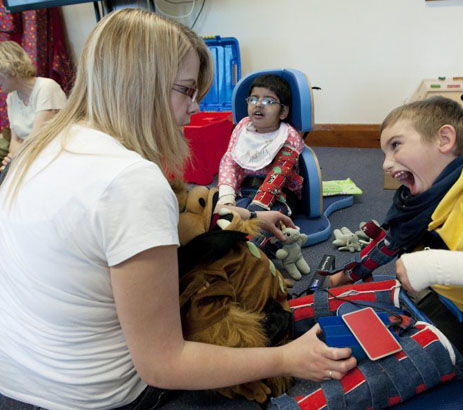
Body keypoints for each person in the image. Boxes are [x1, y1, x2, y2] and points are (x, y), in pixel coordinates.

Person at [0, 9, 355, 410]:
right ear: (140, 85)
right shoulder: (129, 181)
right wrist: (287, 358)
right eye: (187, 90)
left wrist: (249, 218)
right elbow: (163, 365)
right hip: (95, 398)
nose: (197, 106)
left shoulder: (40, 148)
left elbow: (155, 214)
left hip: (15, 380)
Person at [329, 95, 463, 377]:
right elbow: (391, 242)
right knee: (318, 307)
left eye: (395, 146)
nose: (385, 164)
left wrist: (432, 267)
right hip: (422, 296)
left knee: (357, 379)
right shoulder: (429, 194)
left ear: (444, 139)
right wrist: (346, 277)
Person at [217, 74, 305, 216]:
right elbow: (230, 161)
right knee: (223, 210)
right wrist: (226, 195)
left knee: (269, 216)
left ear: (283, 112)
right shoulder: (242, 127)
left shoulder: (287, 135)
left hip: (280, 192)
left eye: (269, 101)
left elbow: (281, 171)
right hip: (246, 186)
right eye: (253, 99)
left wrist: (260, 205)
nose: (258, 104)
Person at [0, 40, 67, 169]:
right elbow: (15, 140)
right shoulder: (11, 98)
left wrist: (15, 158)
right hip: (28, 157)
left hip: (50, 156)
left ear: (10, 70)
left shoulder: (46, 87)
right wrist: (12, 157)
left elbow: (37, 139)